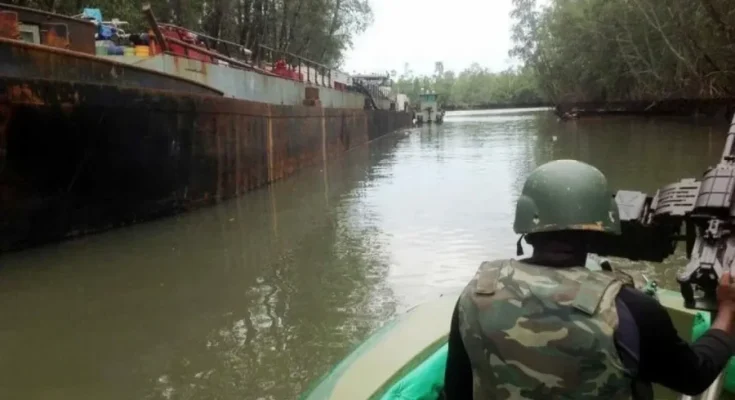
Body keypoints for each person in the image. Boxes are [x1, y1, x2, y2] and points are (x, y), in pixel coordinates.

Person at [443, 159, 735, 399]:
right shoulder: (631, 309)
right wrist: (726, 311)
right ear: (597, 231)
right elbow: (695, 377)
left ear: (527, 229)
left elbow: (457, 390)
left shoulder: (478, 293)